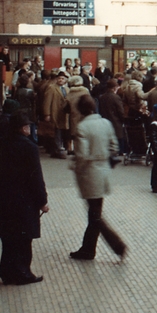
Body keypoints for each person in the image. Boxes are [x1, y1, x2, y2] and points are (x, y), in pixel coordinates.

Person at [0, 112, 50, 285]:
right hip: (24, 201)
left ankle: (7, 272)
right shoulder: (29, 147)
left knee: (8, 238)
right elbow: (36, 178)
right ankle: (23, 272)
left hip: (4, 198)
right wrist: (42, 201)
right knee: (24, 238)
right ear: (24, 128)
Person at [68, 95, 127, 262]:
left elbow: (82, 155)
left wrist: (75, 168)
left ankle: (117, 245)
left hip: (89, 174)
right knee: (95, 212)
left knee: (95, 215)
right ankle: (87, 249)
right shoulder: (105, 123)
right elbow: (114, 146)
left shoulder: (82, 128)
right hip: (103, 171)